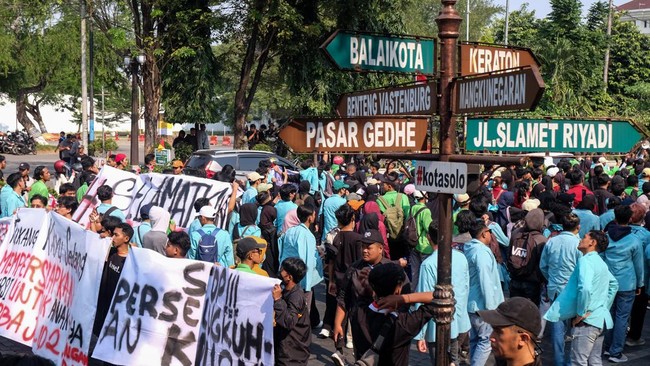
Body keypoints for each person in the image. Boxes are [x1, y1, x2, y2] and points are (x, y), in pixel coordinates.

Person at [333, 229, 410, 359]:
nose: (364, 250)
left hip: (385, 327)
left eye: (369, 247)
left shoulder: (392, 269)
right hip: (360, 327)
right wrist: (337, 323)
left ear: (380, 249)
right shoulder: (354, 268)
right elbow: (343, 297)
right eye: (363, 246)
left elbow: (406, 296)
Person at [544, 230, 618, 365]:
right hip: (599, 319)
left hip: (587, 321)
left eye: (584, 237)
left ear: (592, 242)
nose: (580, 239)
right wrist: (603, 307)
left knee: (578, 361)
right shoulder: (600, 262)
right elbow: (614, 284)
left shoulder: (585, 260)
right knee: (595, 360)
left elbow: (585, 288)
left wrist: (581, 313)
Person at [415, 223, 470, 365]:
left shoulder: (428, 264)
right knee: (454, 360)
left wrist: (420, 334)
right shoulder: (461, 257)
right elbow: (466, 288)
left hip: (437, 326)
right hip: (460, 322)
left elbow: (423, 298)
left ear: (428, 238)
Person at [603, 204, 645, 363]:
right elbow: (638, 265)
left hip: (609, 281)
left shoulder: (606, 236)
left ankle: (608, 347)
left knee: (610, 314)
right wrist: (640, 284)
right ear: (630, 219)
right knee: (622, 317)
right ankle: (616, 352)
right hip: (627, 284)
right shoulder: (634, 240)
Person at [539, 212, 582, 366]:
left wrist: (551, 278)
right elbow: (582, 269)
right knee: (577, 326)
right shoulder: (579, 244)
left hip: (555, 289)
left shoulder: (552, 241)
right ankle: (571, 361)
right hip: (573, 289)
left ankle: (559, 360)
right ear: (578, 227)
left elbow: (543, 265)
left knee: (558, 327)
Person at [464, 221, 505, 366]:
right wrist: (491, 307)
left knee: (476, 339)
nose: (491, 235)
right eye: (489, 232)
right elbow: (485, 279)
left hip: (472, 303)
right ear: (483, 234)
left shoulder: (470, 248)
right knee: (486, 341)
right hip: (482, 306)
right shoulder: (481, 252)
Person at [93, 223, 133, 337]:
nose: (113, 238)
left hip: (116, 309)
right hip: (101, 304)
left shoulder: (130, 260)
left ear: (126, 238)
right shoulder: (110, 252)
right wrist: (101, 240)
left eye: (116, 235)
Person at [279, 205, 323, 308]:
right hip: (301, 279)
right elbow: (307, 260)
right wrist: (307, 286)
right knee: (302, 310)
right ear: (310, 217)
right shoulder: (307, 235)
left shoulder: (290, 231)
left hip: (288, 273)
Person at [478, 297, 542, 366]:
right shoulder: (502, 361)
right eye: (493, 330)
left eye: (499, 332)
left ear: (523, 339)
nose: (491, 337)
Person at [273, 257, 311, 365]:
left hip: (292, 354)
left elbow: (289, 321)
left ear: (289, 277)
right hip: (286, 349)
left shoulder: (296, 296)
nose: (280, 271)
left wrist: (278, 300)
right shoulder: (286, 290)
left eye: (282, 269)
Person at [408, 190, 433, 291]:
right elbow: (428, 228)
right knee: (426, 274)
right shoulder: (425, 211)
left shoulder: (413, 207)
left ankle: (414, 295)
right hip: (424, 246)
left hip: (413, 243)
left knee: (415, 273)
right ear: (424, 195)